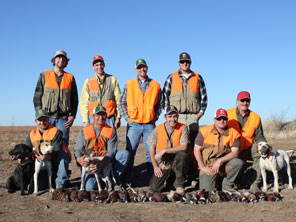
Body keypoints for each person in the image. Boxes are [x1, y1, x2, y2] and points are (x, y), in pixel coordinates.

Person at [163, 52, 208, 184]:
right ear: (179, 63)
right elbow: (165, 96)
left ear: (190, 62)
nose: (185, 64)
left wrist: (200, 114)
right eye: (182, 62)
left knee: (194, 146)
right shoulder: (171, 77)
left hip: (193, 116)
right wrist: (169, 115)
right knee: (178, 145)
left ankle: (193, 174)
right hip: (177, 117)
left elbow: (204, 97)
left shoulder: (198, 77)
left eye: (187, 61)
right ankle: (176, 175)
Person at [119, 58, 162, 186]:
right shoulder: (129, 84)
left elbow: (160, 103)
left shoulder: (155, 85)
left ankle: (151, 181)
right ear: (136, 69)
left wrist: (156, 117)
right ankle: (126, 180)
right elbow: (121, 103)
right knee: (130, 153)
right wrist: (127, 118)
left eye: (144, 67)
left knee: (151, 153)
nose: (142, 69)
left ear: (147, 68)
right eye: (139, 67)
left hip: (149, 124)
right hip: (134, 125)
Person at [74, 105, 129, 190]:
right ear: (93, 117)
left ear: (106, 116)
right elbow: (77, 150)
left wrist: (101, 163)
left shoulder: (111, 130)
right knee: (90, 188)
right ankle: (102, 181)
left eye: (103, 115)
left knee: (124, 154)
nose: (100, 117)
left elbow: (111, 152)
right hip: (90, 164)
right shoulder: (84, 131)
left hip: (105, 162)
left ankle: (113, 181)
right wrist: (79, 160)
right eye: (98, 115)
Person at [33, 50, 78, 146]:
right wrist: (40, 116)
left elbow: (74, 100)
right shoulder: (44, 75)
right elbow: (37, 97)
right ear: (54, 60)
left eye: (63, 58)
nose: (61, 60)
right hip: (47, 118)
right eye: (58, 57)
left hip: (64, 119)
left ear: (66, 62)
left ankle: (62, 161)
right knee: (46, 145)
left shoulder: (70, 77)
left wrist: (72, 116)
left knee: (62, 146)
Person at [194, 108, 243, 191]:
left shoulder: (234, 133)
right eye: (219, 118)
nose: (221, 121)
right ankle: (213, 181)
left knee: (238, 163)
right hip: (208, 166)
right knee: (207, 191)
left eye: (224, 118)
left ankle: (227, 185)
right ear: (214, 120)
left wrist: (220, 161)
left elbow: (235, 153)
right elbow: (196, 150)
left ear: (227, 120)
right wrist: (202, 167)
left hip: (223, 165)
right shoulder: (204, 131)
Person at [227, 91, 267, 192]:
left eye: (247, 100)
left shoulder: (255, 117)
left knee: (258, 150)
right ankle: (231, 182)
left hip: (248, 148)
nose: (245, 103)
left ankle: (255, 183)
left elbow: (259, 137)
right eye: (242, 100)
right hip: (231, 149)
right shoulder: (227, 114)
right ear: (237, 101)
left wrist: (265, 146)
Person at [148, 105, 189, 195]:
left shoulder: (183, 128)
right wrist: (155, 166)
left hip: (177, 161)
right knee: (154, 187)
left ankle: (179, 185)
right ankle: (170, 180)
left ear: (178, 117)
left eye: (175, 116)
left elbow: (184, 147)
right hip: (164, 163)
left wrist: (165, 150)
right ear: (165, 117)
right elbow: (151, 148)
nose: (173, 119)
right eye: (170, 116)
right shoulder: (157, 129)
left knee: (182, 155)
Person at [25, 109, 70, 189]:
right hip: (40, 164)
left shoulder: (56, 132)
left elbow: (57, 149)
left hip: (54, 162)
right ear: (35, 121)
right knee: (41, 186)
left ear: (48, 119)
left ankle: (61, 183)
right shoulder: (31, 135)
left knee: (63, 152)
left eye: (45, 120)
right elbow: (27, 150)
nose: (42, 122)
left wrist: (48, 156)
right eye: (40, 120)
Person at [79, 55, 121, 128]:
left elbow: (119, 100)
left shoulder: (112, 79)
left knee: (110, 139)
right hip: (93, 118)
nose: (99, 67)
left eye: (101, 64)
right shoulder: (88, 81)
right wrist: (86, 120)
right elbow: (84, 102)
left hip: (109, 118)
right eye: (96, 65)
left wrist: (118, 117)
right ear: (93, 67)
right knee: (94, 139)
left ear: (104, 65)